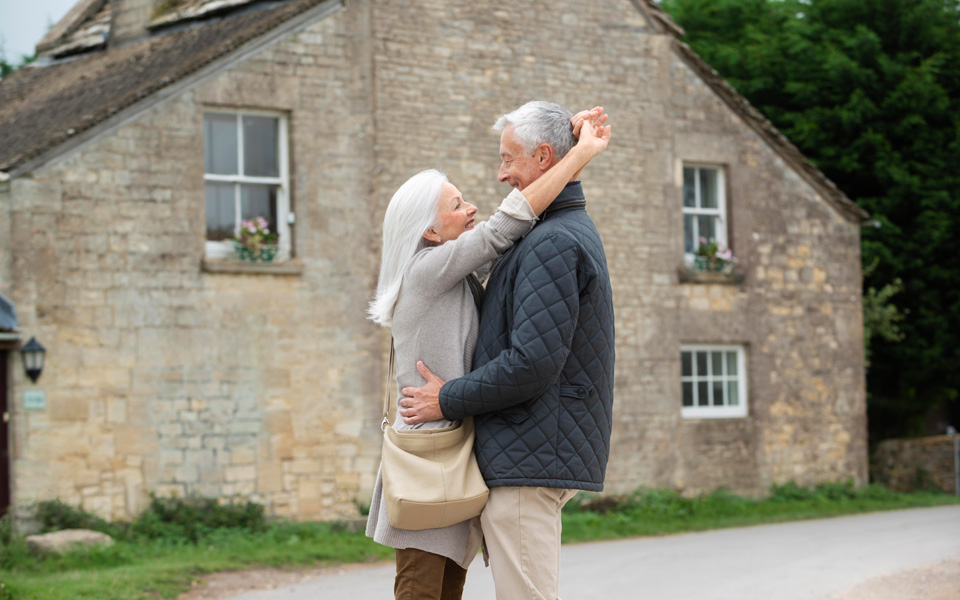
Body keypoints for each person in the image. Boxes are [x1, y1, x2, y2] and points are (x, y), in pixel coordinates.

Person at [365, 107, 611, 600]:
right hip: (431, 465)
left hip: (453, 461)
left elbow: (522, 221)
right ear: (430, 233)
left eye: (507, 159)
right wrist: (580, 153)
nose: (474, 206)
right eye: (457, 205)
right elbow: (508, 223)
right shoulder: (429, 270)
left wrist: (566, 143)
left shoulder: (455, 275)